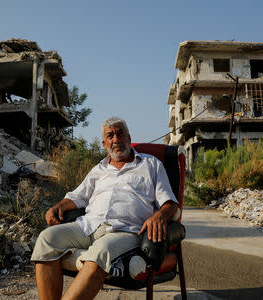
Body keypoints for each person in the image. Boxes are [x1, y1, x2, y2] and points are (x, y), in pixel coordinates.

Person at [31, 117, 179, 300]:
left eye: (120, 133)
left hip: (125, 231)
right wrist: (59, 206)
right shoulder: (98, 169)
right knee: (47, 238)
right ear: (104, 143)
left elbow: (170, 203)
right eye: (110, 135)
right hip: (88, 226)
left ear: (128, 137)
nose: (116, 139)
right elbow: (78, 196)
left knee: (101, 251)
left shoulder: (151, 165)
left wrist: (160, 216)